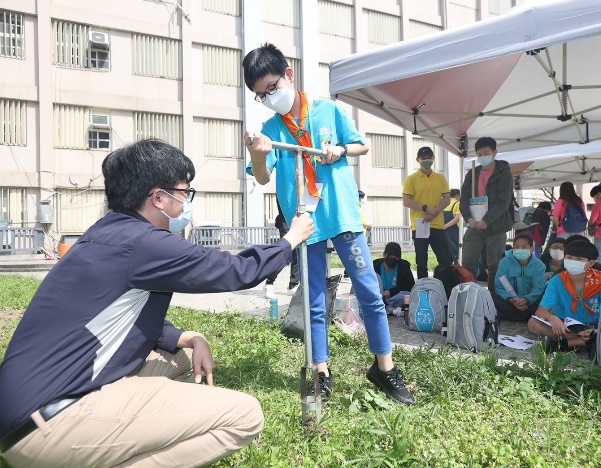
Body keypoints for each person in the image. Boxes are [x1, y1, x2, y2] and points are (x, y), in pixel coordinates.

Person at [0, 139, 315, 466]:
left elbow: (116, 313)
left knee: (183, 356)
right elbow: (239, 270)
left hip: (25, 412)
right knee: (245, 416)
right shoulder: (146, 243)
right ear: (159, 198)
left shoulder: (107, 233)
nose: (186, 202)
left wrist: (189, 338)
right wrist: (290, 239)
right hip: (50, 426)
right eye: (184, 192)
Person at [242, 43, 414, 405]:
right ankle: (321, 372)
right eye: (261, 95)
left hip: (343, 216)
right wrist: (258, 155)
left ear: (289, 75)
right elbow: (260, 177)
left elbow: (361, 145)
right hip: (306, 223)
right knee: (315, 300)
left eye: (272, 88)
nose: (269, 97)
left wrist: (341, 149)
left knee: (369, 289)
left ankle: (384, 369)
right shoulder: (270, 130)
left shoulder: (328, 111)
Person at [528, 239, 601, 353]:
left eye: (579, 259)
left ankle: (566, 343)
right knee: (533, 324)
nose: (573, 261)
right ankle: (586, 341)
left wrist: (596, 329)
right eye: (569, 257)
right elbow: (540, 311)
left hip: (593, 325)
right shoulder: (557, 280)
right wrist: (554, 319)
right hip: (564, 325)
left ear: (591, 263)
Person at [460, 137, 514, 292]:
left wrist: (487, 220)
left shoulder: (504, 172)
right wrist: (468, 218)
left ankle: (493, 300)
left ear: (494, 152)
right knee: (468, 262)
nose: (482, 156)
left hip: (496, 225)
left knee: (495, 264)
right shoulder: (472, 173)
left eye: (486, 152)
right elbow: (464, 198)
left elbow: (503, 202)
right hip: (474, 224)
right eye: (479, 154)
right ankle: (468, 296)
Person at [402, 146, 453, 279]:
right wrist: (425, 208)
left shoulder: (440, 178)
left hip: (437, 225)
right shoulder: (411, 179)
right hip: (419, 225)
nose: (426, 160)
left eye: (429, 158)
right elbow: (406, 201)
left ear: (433, 159)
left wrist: (435, 211)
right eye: (423, 158)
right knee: (421, 262)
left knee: (446, 260)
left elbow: (447, 199)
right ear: (417, 160)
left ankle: (446, 286)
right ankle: (423, 289)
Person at [492, 234, 547, 322]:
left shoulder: (539, 265)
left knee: (546, 291)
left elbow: (539, 288)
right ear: (513, 249)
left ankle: (519, 315)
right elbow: (499, 287)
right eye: (517, 247)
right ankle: (525, 316)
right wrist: (511, 300)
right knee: (489, 295)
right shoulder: (504, 263)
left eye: (524, 247)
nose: (520, 250)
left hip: (530, 305)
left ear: (531, 249)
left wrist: (527, 299)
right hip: (510, 304)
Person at [264, 199, 300, 299]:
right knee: (285, 253)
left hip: (299, 222)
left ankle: (293, 285)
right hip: (286, 221)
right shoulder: (285, 184)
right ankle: (269, 283)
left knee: (297, 254)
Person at [443, 188, 462, 264]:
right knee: (456, 251)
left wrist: (442, 227)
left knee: (446, 251)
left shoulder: (444, 203)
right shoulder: (457, 203)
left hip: (442, 231)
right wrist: (446, 226)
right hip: (453, 231)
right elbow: (457, 218)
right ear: (457, 195)